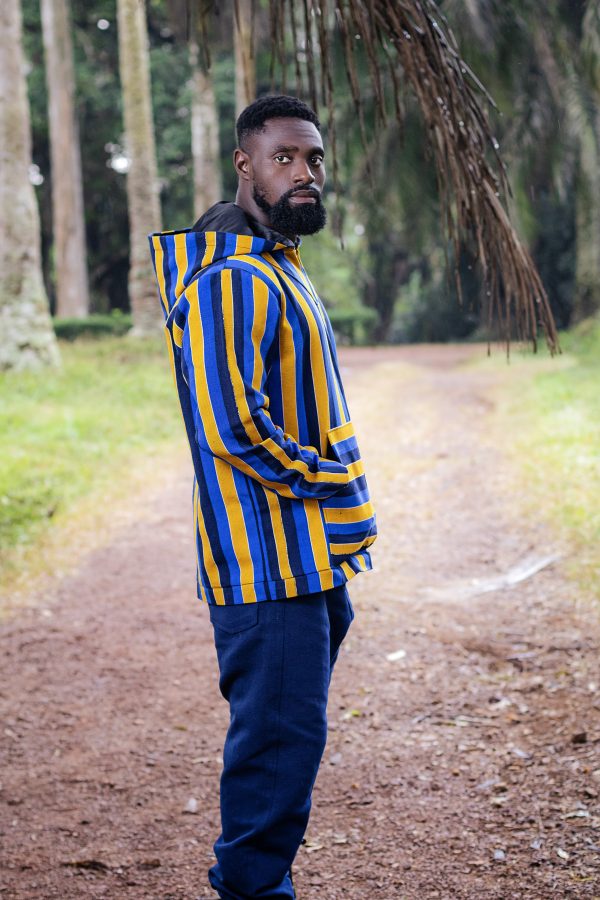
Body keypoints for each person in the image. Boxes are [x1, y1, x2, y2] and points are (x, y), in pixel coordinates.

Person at [148, 94, 378, 900]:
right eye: (284, 158)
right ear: (245, 166)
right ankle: (250, 891)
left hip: (308, 555)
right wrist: (326, 478)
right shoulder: (232, 279)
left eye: (313, 159)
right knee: (277, 748)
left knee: (290, 738)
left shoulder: (277, 264)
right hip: (266, 562)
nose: (305, 173)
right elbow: (232, 426)